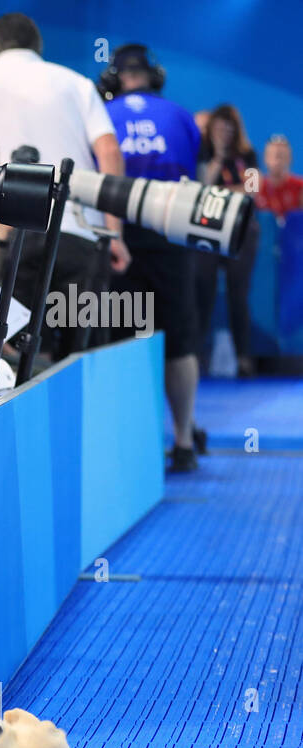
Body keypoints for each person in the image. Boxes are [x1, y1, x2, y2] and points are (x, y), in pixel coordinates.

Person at [0, 12, 130, 360]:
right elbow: (110, 152)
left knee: (13, 358)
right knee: (84, 357)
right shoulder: (76, 83)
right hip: (78, 236)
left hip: (7, 238)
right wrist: (112, 232)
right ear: (38, 46)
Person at [103, 44, 205, 473]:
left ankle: (131, 445)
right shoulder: (181, 115)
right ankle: (183, 441)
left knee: (122, 340)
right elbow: (194, 170)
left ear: (114, 78)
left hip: (116, 238)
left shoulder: (102, 114)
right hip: (170, 234)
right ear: (154, 75)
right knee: (178, 341)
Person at [193, 103, 260, 378]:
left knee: (238, 296)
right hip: (208, 232)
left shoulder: (248, 154)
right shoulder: (203, 154)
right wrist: (218, 160)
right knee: (203, 294)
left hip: (241, 233)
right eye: (220, 127)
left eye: (229, 127)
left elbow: (253, 190)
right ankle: (196, 357)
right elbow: (200, 188)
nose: (225, 132)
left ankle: (243, 357)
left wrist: (219, 191)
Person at [257, 135, 303, 223]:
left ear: (290, 159)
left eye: (281, 156)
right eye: (272, 155)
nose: (277, 160)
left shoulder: (300, 186)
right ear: (265, 159)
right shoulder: (257, 187)